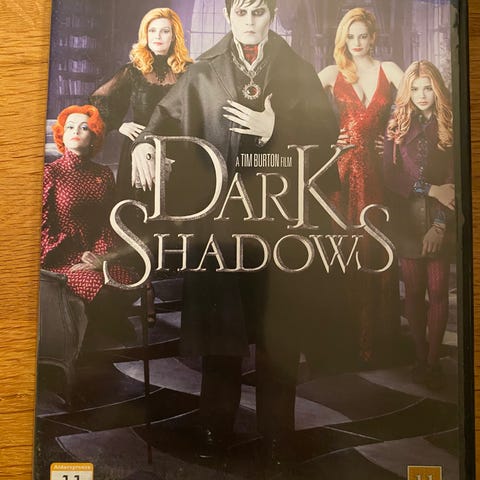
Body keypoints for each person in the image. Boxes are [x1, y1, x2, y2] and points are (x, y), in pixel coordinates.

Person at [131, 0, 339, 466]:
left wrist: (277, 126)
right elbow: (163, 120)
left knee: (278, 333)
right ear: (228, 16)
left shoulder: (298, 70)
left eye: (258, 11)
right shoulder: (202, 71)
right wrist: (146, 144)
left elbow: (328, 134)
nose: (249, 21)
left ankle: (277, 436)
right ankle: (214, 427)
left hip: (280, 221)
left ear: (272, 15)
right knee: (220, 330)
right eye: (241, 12)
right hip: (221, 220)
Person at [318, 7, 404, 364]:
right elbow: (296, 111)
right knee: (344, 247)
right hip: (341, 173)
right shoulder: (331, 73)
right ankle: (343, 340)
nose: (356, 43)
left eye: (362, 36)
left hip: (377, 174)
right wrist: (327, 139)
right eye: (350, 36)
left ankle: (376, 342)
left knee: (374, 249)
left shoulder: (390, 70)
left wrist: (393, 138)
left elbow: (421, 104)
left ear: (373, 38)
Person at [383, 61, 455, 390]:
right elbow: (391, 176)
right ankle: (419, 355)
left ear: (437, 90)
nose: (422, 95)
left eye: (427, 88)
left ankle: (433, 361)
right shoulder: (396, 125)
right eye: (414, 89)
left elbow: (454, 183)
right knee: (412, 291)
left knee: (438, 291)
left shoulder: (450, 125)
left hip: (442, 218)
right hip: (407, 220)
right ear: (407, 92)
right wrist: (430, 189)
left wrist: (439, 226)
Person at [41, 105, 137, 341]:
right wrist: (77, 256)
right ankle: (107, 330)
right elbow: (42, 229)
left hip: (96, 255)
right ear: (61, 135)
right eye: (70, 127)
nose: (76, 131)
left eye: (84, 128)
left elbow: (108, 222)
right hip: (60, 258)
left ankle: (106, 326)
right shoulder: (50, 173)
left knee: (131, 281)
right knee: (101, 291)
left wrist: (100, 257)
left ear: (94, 137)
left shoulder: (103, 174)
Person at [90, 7, 192, 202]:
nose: (157, 36)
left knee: (175, 208)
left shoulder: (188, 72)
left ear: (174, 36)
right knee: (138, 208)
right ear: (145, 34)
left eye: (165, 31)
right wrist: (119, 124)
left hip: (178, 149)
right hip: (138, 147)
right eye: (152, 30)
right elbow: (97, 101)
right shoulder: (133, 71)